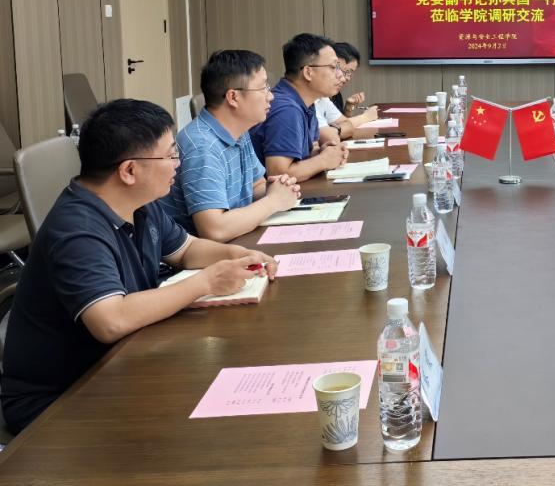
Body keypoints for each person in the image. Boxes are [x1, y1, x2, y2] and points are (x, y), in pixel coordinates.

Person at [0, 100, 278, 434]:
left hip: (119, 363)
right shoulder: (77, 229)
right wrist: (206, 282)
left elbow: (186, 250)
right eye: (170, 155)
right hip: (61, 399)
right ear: (130, 171)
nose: (178, 163)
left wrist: (234, 254)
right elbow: (111, 320)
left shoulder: (139, 203)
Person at [160, 50, 302, 242]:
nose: (271, 97)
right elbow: (214, 230)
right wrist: (273, 201)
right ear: (233, 97)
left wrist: (277, 188)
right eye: (263, 88)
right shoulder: (202, 146)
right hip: (198, 254)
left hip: (236, 240)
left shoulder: (239, 130)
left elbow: (256, 185)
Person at [249, 33, 348, 182]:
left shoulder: (306, 102)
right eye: (333, 67)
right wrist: (324, 160)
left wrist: (322, 152)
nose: (340, 75)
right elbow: (277, 173)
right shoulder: (286, 110)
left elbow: (305, 153)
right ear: (308, 72)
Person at [315, 42, 379, 145]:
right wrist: (366, 117)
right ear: (308, 72)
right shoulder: (304, 100)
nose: (345, 78)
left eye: (350, 73)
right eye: (334, 67)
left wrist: (349, 107)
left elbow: (346, 125)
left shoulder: (330, 96)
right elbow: (329, 136)